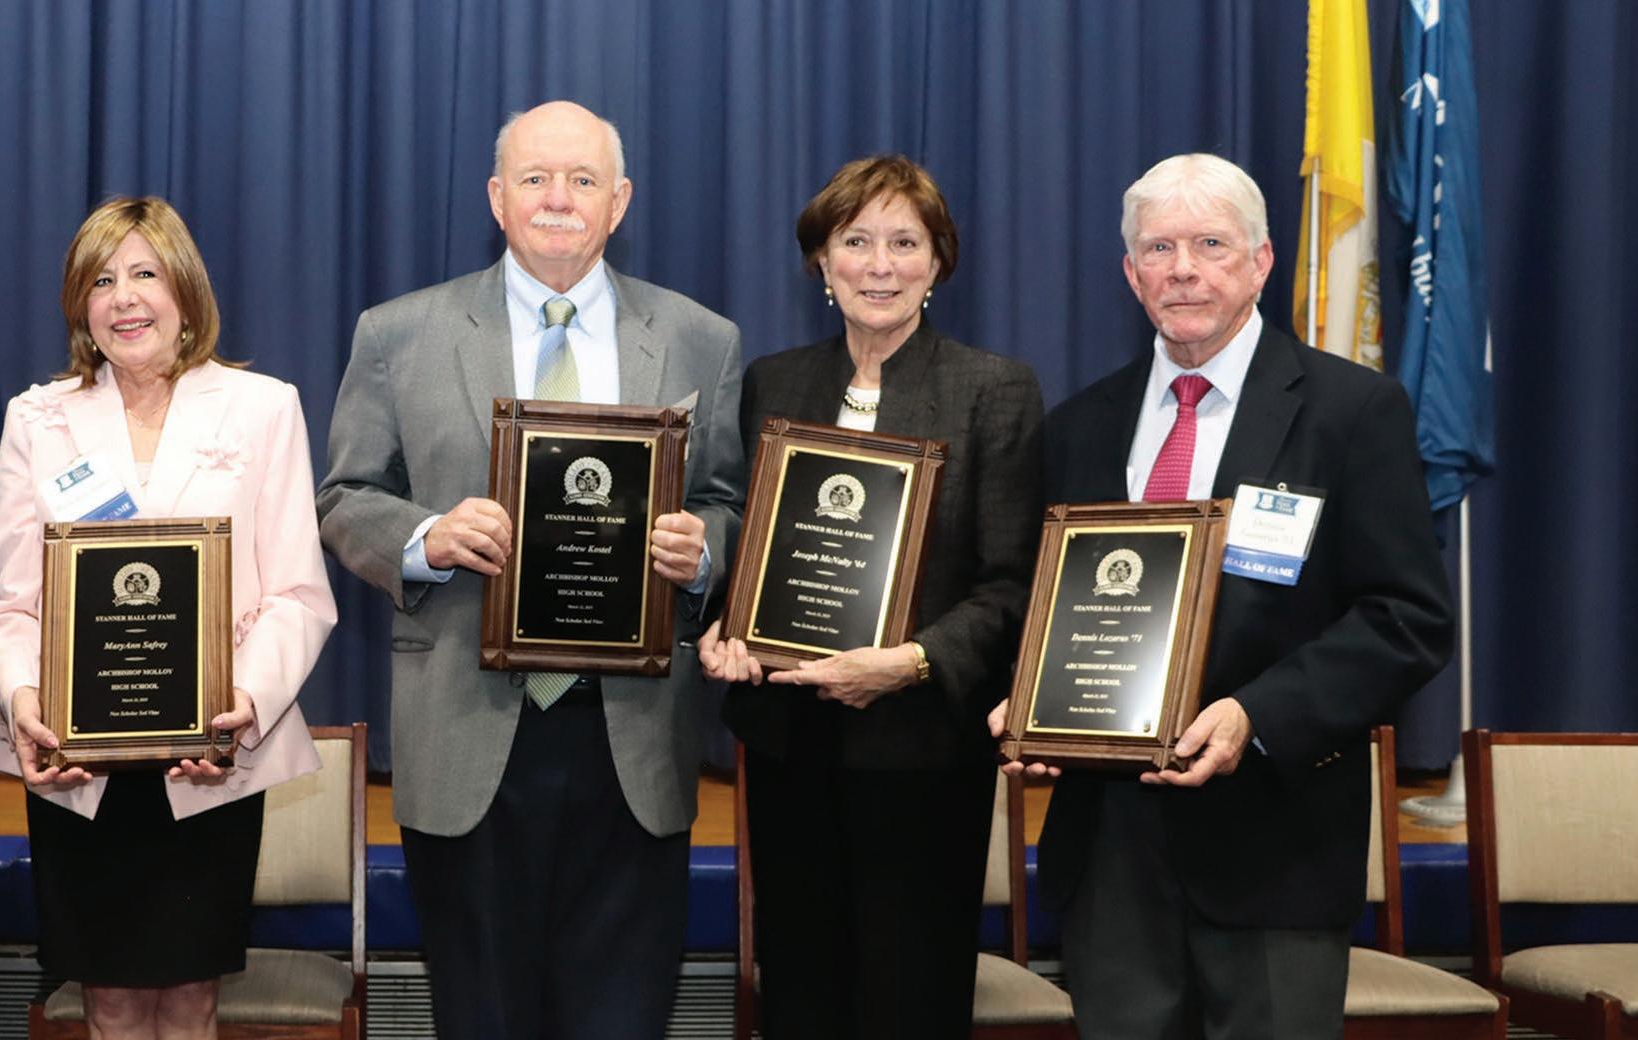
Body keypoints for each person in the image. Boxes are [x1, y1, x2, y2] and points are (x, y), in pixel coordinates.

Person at [992, 153, 1454, 1038]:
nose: (1182, 270)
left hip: (1274, 847)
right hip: (1110, 856)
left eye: (1209, 245)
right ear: (1130, 273)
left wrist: (1255, 714)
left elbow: (1407, 620)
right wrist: (1026, 698)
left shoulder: (1350, 411)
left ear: (1260, 261)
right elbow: (1039, 601)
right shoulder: (1079, 426)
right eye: (1157, 248)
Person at [315, 99, 745, 1039]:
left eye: (583, 180)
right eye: (536, 179)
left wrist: (702, 549)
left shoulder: (697, 338)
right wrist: (426, 537)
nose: (558, 199)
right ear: (495, 197)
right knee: (482, 1018)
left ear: (619, 202)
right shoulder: (399, 333)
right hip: (465, 732)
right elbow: (344, 498)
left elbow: (728, 501)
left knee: (622, 1021)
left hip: (632, 740)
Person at [699, 155, 1043, 1037]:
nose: (879, 265)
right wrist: (722, 625)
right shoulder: (774, 382)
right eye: (855, 242)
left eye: (904, 243)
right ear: (821, 260)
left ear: (938, 263)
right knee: (799, 995)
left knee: (907, 999)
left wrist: (914, 661)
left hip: (921, 753)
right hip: (790, 747)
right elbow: (745, 542)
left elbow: (1012, 581)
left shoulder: (992, 390)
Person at [0, 196, 337, 1040]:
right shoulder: (37, 418)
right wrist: (22, 698)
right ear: (80, 304)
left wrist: (241, 705)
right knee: (105, 1001)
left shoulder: (262, 407)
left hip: (207, 754)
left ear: (184, 289)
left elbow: (297, 593)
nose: (124, 298)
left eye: (144, 273)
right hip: (78, 759)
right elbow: (16, 601)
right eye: (101, 280)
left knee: (189, 1001)